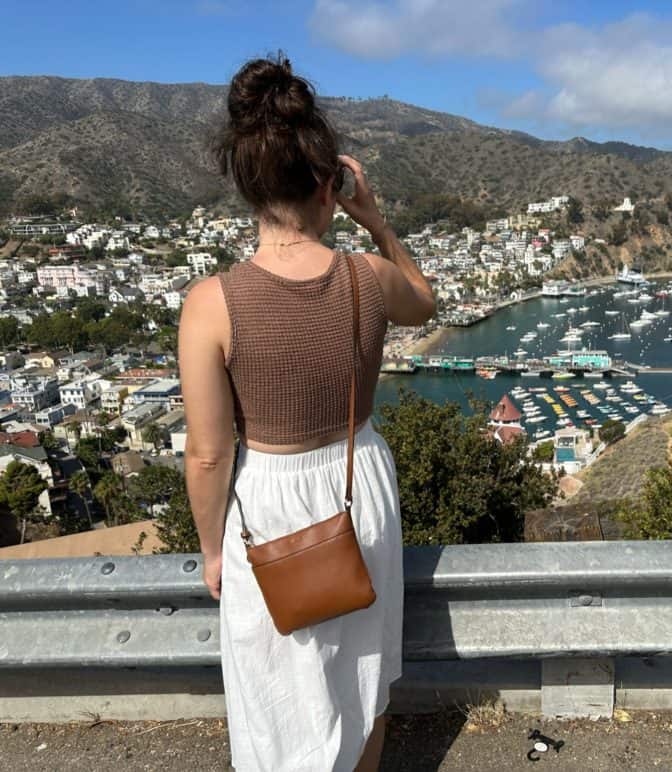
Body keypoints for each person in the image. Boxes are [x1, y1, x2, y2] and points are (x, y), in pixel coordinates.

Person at [178, 52, 435, 771]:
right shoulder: (370, 277)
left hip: (266, 505)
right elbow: (427, 299)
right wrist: (375, 220)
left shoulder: (210, 304)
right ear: (331, 185)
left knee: (273, 695)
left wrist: (208, 550)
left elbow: (207, 454)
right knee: (361, 681)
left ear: (248, 187)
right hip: (362, 489)